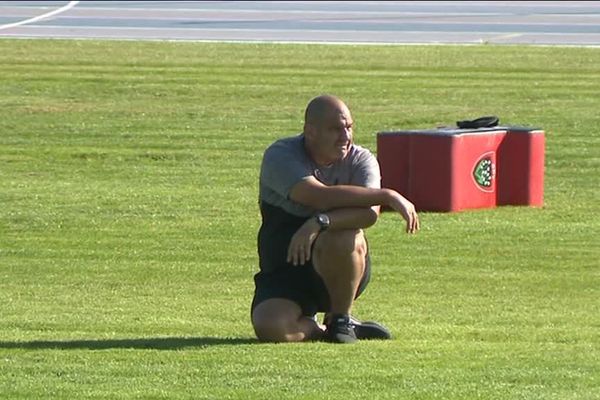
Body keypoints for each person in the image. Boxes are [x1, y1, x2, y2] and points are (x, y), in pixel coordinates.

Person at [251, 95, 419, 343]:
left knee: (343, 235)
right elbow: (317, 196)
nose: (345, 136)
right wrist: (388, 194)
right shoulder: (281, 155)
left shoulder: (361, 160)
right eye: (335, 129)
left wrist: (319, 223)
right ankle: (321, 330)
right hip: (285, 267)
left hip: (340, 264)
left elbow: (369, 214)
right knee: (270, 327)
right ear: (310, 132)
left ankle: (340, 318)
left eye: (348, 127)